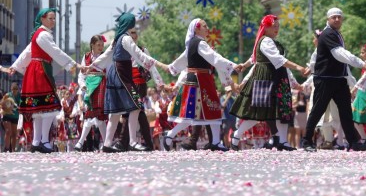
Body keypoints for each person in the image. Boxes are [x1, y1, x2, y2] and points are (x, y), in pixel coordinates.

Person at [88, 13, 170, 153]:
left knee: (116, 112)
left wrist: (92, 65)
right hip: (122, 75)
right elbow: (139, 55)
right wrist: (161, 65)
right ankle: (132, 142)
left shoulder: (117, 38)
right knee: (136, 105)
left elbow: (107, 54)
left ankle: (107, 144)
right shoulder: (126, 38)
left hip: (114, 74)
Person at [8, 8, 85, 153]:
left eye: (54, 18)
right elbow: (55, 52)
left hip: (35, 71)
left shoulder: (38, 34)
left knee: (39, 108)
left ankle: (37, 141)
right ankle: (44, 141)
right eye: (50, 18)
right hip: (40, 70)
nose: (53, 21)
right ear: (42, 19)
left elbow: (27, 52)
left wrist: (15, 66)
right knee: (50, 106)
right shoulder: (43, 35)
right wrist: (74, 65)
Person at [301, 8, 366, 152]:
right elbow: (340, 54)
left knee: (346, 111)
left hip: (338, 79)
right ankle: (306, 140)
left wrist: (351, 81)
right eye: (334, 17)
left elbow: (341, 60)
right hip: (325, 79)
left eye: (339, 17)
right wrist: (361, 63)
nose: (337, 19)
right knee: (318, 110)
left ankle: (353, 142)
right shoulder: (327, 34)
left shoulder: (336, 34)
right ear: (328, 19)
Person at [230, 15, 305, 151]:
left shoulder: (270, 41)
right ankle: (237, 135)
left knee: (280, 111)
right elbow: (277, 59)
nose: (276, 28)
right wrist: (298, 67)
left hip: (278, 78)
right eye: (273, 26)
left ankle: (283, 141)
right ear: (265, 27)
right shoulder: (265, 41)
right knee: (257, 112)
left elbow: (254, 58)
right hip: (265, 78)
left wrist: (245, 65)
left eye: (278, 26)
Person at [164, 18, 240, 152]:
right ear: (197, 29)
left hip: (198, 80)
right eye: (205, 26)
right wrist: (233, 65)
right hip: (201, 81)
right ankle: (214, 142)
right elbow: (215, 58)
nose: (208, 28)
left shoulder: (193, 44)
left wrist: (171, 68)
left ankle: (171, 135)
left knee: (203, 112)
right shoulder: (200, 43)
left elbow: (181, 60)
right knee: (205, 110)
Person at [74, 35, 108, 151]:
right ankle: (105, 142)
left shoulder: (105, 56)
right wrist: (83, 85)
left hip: (101, 86)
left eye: (102, 45)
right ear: (92, 45)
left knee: (99, 116)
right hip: (89, 86)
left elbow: (109, 71)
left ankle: (81, 141)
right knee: (91, 115)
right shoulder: (86, 56)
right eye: (98, 45)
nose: (100, 47)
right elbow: (81, 75)